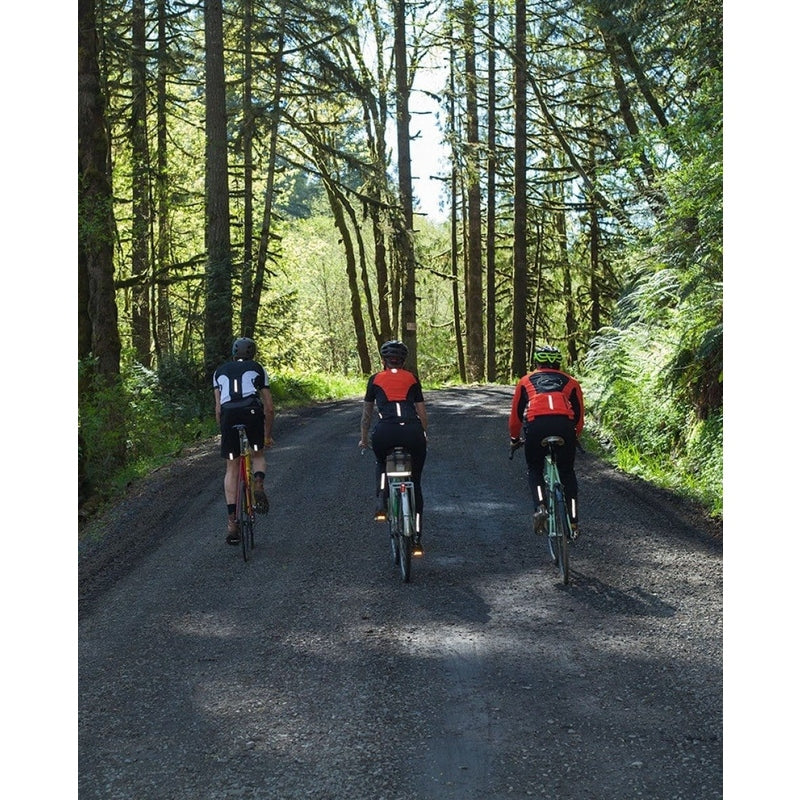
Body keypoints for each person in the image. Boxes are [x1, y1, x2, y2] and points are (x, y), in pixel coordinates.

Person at [358, 340, 428, 555]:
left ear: (383, 360)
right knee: (415, 481)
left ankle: (381, 500)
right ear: (404, 361)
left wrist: (364, 439)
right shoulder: (412, 378)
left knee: (381, 462)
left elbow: (366, 415)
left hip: (385, 432)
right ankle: (417, 537)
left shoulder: (375, 379)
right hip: (412, 432)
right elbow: (422, 412)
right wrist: (424, 433)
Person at [508, 345, 584, 535]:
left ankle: (540, 506)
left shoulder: (525, 381)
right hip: (564, 426)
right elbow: (579, 416)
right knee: (567, 472)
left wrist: (515, 439)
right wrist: (575, 436)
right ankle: (573, 522)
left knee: (535, 468)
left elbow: (516, 417)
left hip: (536, 426)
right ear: (558, 363)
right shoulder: (571, 382)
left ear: (537, 363)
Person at [213, 337, 275, 545]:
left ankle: (232, 523)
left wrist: (224, 431)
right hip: (251, 411)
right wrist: (267, 436)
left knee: (231, 467)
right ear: (252, 353)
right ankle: (258, 482)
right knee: (257, 453)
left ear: (233, 353)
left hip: (228, 416)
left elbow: (218, 409)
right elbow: (269, 407)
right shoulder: (257, 368)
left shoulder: (218, 372)